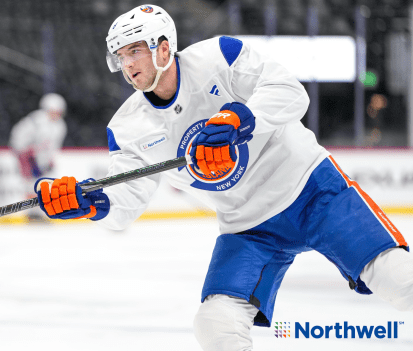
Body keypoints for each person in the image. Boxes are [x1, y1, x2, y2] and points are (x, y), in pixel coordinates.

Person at [32, 4, 413, 350]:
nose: (127, 63)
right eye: (120, 55)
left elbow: (290, 91)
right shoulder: (128, 127)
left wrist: (240, 118)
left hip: (313, 191)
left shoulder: (218, 56)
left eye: (135, 49)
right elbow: (125, 204)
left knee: (399, 280)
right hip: (248, 228)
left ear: (164, 48)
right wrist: (91, 203)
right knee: (215, 325)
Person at [9, 93, 67, 221]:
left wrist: (50, 159)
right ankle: (32, 212)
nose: (56, 114)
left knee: (45, 185)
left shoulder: (60, 126)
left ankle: (40, 212)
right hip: (30, 158)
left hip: (44, 159)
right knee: (31, 185)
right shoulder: (35, 121)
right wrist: (23, 152)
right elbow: (18, 137)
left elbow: (54, 146)